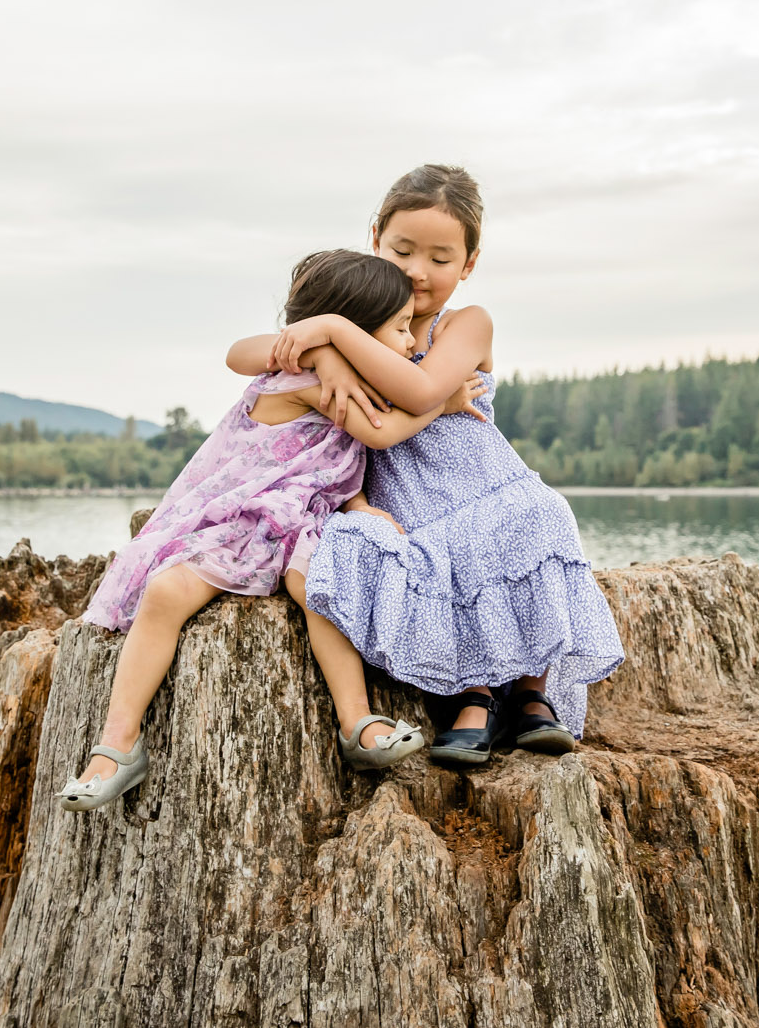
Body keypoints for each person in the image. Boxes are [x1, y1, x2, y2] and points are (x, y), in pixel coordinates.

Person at [60, 249, 486, 811]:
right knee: (166, 590)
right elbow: (377, 433)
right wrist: (443, 403)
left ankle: (357, 722)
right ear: (354, 331)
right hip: (242, 516)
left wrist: (356, 503)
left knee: (317, 588)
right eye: (401, 328)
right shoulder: (303, 379)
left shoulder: (345, 377)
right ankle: (117, 742)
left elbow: (333, 456)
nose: (411, 344)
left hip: (302, 519)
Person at [227, 165, 624, 766]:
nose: (418, 270)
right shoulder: (361, 322)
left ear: (469, 264)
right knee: (413, 548)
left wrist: (330, 333)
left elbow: (418, 391)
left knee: (538, 516)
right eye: (403, 249)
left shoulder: (466, 323)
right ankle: (475, 695)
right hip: (400, 489)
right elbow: (243, 354)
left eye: (441, 258)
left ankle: (532, 695)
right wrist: (327, 351)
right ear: (375, 238)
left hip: (483, 480)